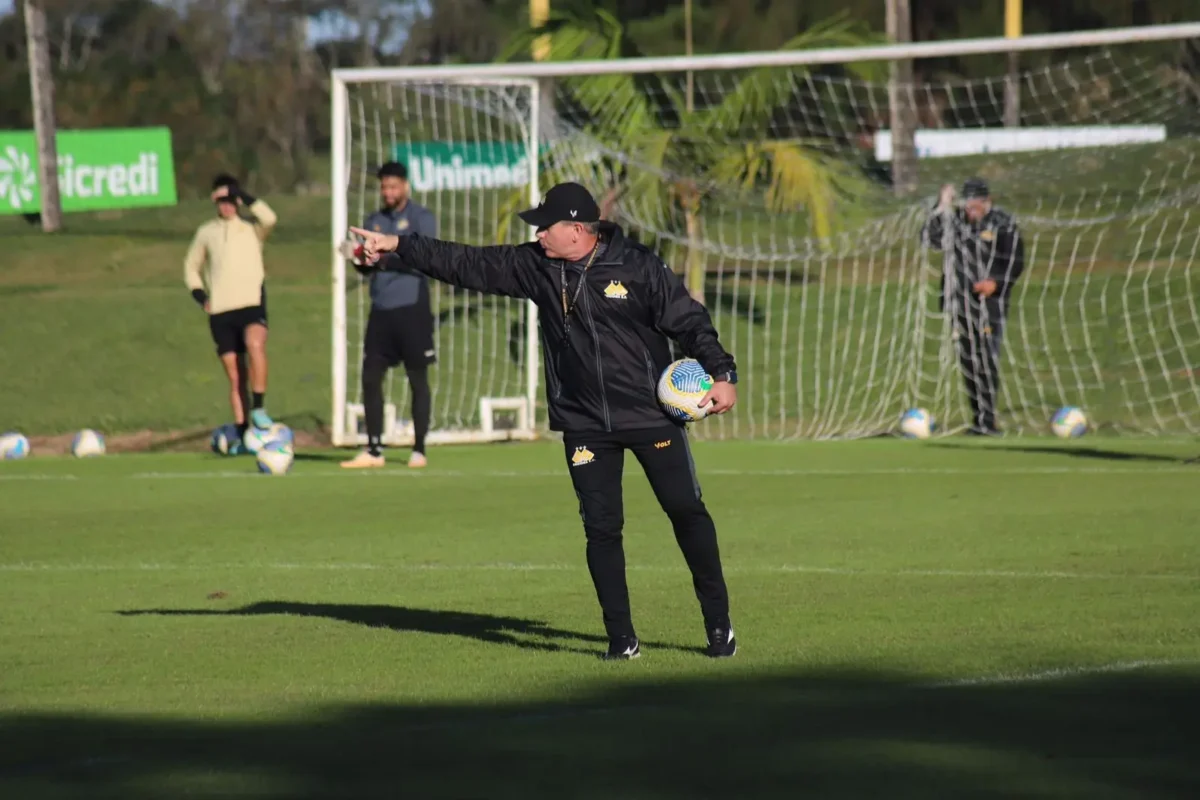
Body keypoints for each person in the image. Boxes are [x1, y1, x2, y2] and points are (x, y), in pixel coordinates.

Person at [347, 182, 740, 660]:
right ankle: (622, 639)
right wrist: (399, 246)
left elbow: (689, 321)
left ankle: (719, 626)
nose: (537, 237)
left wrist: (722, 373)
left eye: (545, 227)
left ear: (576, 230)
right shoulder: (536, 267)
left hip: (649, 417)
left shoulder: (638, 266)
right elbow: (466, 263)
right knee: (601, 529)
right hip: (584, 423)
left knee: (685, 512)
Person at [340, 161, 438, 470]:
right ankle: (374, 449)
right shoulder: (375, 220)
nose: (388, 192)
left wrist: (381, 260)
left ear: (405, 186)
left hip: (412, 307)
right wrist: (356, 257)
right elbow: (371, 264)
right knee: (370, 377)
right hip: (381, 310)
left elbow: (422, 258)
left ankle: (419, 448)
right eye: (384, 186)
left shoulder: (421, 218)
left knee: (417, 377)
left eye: (393, 186)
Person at [921, 177, 1025, 435]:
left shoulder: (1003, 223)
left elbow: (1015, 260)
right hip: (959, 303)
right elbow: (928, 239)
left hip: (989, 304)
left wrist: (997, 283)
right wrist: (941, 206)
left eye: (975, 206)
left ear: (987, 202)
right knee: (968, 361)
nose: (971, 211)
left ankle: (988, 421)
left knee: (986, 358)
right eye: (967, 206)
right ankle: (977, 419)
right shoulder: (953, 221)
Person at [184, 174, 278, 452]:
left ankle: (259, 408)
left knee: (255, 344)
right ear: (214, 201)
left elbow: (270, 218)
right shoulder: (206, 232)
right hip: (221, 313)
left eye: (231, 200)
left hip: (251, 306)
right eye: (222, 200)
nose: (227, 206)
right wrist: (201, 297)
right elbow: (191, 267)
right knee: (236, 377)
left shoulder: (251, 229)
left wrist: (244, 195)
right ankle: (241, 433)